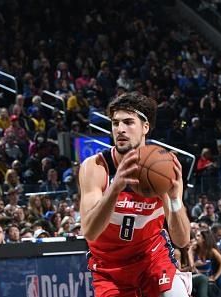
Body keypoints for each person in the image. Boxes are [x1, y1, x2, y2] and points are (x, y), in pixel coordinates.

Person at [79, 92, 191, 297]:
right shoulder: (95, 168)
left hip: (152, 259)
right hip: (109, 267)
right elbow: (90, 231)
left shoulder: (163, 168)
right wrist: (115, 188)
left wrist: (175, 199)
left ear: (145, 127)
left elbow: (182, 240)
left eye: (128, 122)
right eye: (115, 123)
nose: (120, 129)